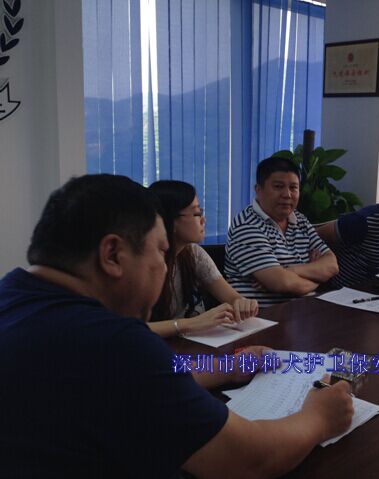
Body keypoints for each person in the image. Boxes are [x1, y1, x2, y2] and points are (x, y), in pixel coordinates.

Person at [0, 174, 353, 478]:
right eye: (159, 251)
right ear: (112, 255)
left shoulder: (14, 297)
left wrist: (226, 367)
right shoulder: (111, 341)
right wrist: (319, 418)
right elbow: (249, 459)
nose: (163, 266)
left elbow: (128, 379)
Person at [147, 180, 258, 338]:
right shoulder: (145, 262)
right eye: (196, 213)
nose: (203, 220)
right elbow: (129, 328)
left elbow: (232, 297)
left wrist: (242, 303)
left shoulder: (193, 253)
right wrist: (191, 323)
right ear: (170, 220)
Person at [225, 157, 339, 306]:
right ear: (258, 190)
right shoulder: (247, 226)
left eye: (293, 187)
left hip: (302, 310)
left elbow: (332, 265)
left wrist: (288, 270)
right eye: (278, 187)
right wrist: (316, 278)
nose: (287, 194)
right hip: (262, 315)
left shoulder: (300, 220)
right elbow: (282, 283)